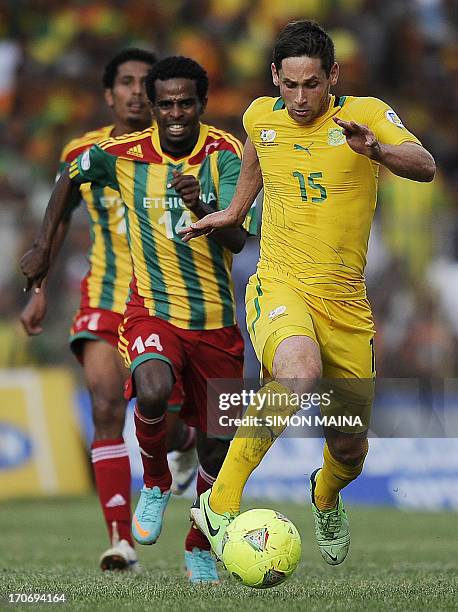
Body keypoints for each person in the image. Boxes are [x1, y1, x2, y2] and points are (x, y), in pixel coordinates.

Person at [181, 19, 436, 566]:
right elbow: (256, 155)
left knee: (350, 446)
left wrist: (378, 153)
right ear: (275, 76)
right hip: (279, 283)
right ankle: (219, 503)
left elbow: (426, 165)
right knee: (298, 372)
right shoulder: (259, 115)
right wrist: (232, 212)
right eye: (289, 85)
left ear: (333, 77)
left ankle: (325, 494)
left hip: (345, 304)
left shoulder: (364, 115)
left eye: (312, 85)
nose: (299, 98)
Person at [20, 55, 257, 583]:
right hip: (145, 307)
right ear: (151, 106)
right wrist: (40, 252)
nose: (175, 113)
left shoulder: (226, 153)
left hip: (215, 320)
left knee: (217, 442)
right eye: (165, 103)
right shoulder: (117, 153)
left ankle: (199, 541)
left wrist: (203, 208)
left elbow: (240, 239)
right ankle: (148, 490)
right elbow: (67, 176)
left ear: (202, 104)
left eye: (185, 103)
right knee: (143, 391)